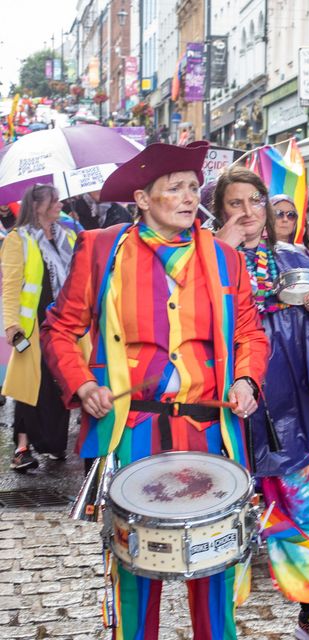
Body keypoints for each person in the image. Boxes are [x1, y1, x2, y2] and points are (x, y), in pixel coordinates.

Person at [40, 142, 269, 640]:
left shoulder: (225, 259)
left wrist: (247, 378)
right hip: (135, 430)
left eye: (193, 187)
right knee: (135, 563)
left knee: (212, 563)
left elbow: (249, 332)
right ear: (143, 198)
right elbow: (58, 329)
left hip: (208, 430)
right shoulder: (102, 249)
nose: (190, 198)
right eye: (176, 189)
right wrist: (81, 384)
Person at [213, 167, 309, 640]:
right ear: (220, 212)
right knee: (228, 511)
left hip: (293, 408)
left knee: (296, 507)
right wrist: (218, 249)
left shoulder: (294, 259)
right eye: (234, 204)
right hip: (228, 407)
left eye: (254, 202)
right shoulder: (203, 262)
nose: (247, 213)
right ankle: (221, 617)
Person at [3, 184, 76, 471]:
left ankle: (54, 444)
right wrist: (11, 324)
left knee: (60, 383)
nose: (59, 204)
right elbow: (10, 287)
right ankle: (22, 448)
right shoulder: (16, 239)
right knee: (28, 387)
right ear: (37, 206)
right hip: (30, 328)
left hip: (63, 325)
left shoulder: (69, 236)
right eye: (54, 200)